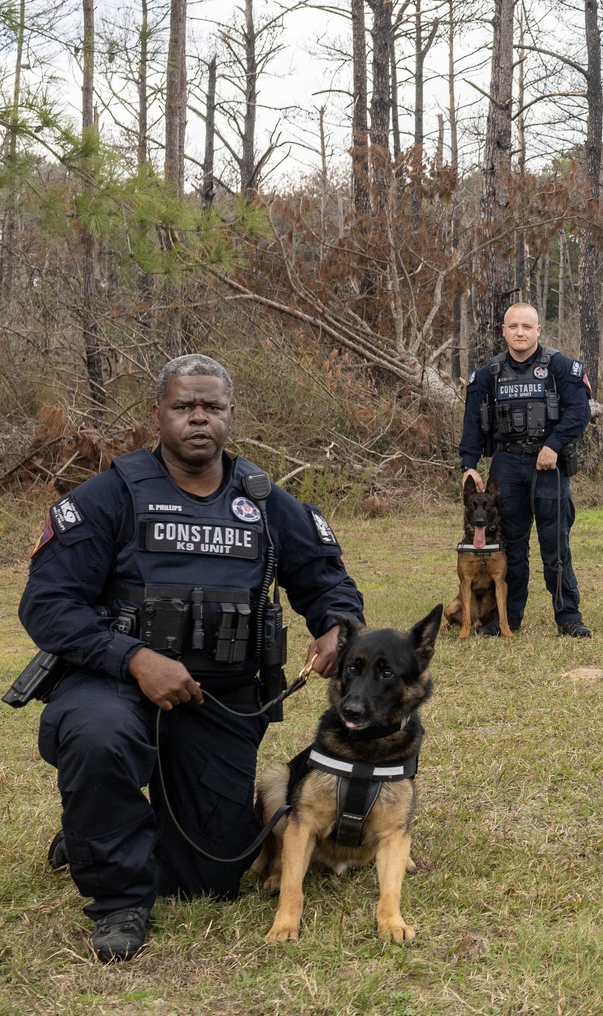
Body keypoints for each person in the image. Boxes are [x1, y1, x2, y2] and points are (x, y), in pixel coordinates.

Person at [18, 354, 365, 962]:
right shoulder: (110, 495)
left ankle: (93, 833)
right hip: (116, 682)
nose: (198, 418)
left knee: (212, 878)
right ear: (158, 414)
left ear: (231, 416)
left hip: (217, 701)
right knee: (101, 737)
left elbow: (327, 577)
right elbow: (47, 605)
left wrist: (338, 625)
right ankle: (119, 899)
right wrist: (133, 659)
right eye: (183, 406)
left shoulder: (262, 500)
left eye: (212, 407)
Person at [459, 302, 593, 638]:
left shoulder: (561, 367)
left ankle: (568, 617)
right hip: (505, 465)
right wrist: (468, 465)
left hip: (548, 464)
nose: (520, 332)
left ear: (538, 331)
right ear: (503, 331)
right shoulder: (488, 374)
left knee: (555, 545)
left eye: (527, 326)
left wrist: (554, 444)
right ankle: (508, 620)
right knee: (512, 547)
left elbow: (579, 412)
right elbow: (472, 424)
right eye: (513, 326)